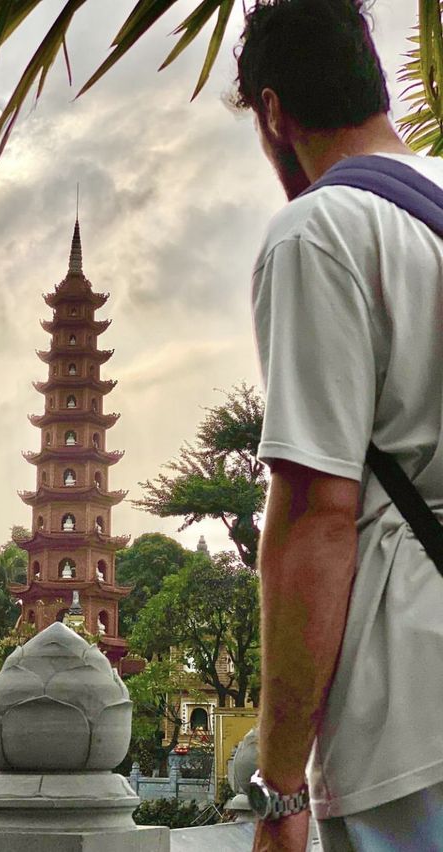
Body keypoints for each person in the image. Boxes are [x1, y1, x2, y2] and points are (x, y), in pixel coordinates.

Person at [233, 1, 443, 850]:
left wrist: (279, 790)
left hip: (412, 717)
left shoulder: (321, 231)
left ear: (274, 113)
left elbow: (318, 516)